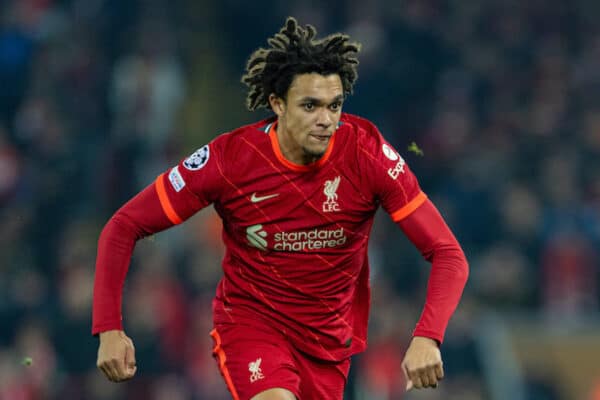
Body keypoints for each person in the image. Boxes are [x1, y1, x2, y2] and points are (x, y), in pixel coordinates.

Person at [92, 17, 469, 400]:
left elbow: (448, 253)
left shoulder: (366, 154)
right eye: (310, 105)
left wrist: (428, 336)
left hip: (327, 345)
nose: (326, 120)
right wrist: (109, 328)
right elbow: (123, 226)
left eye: (334, 105)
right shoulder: (230, 160)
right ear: (278, 104)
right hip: (253, 326)